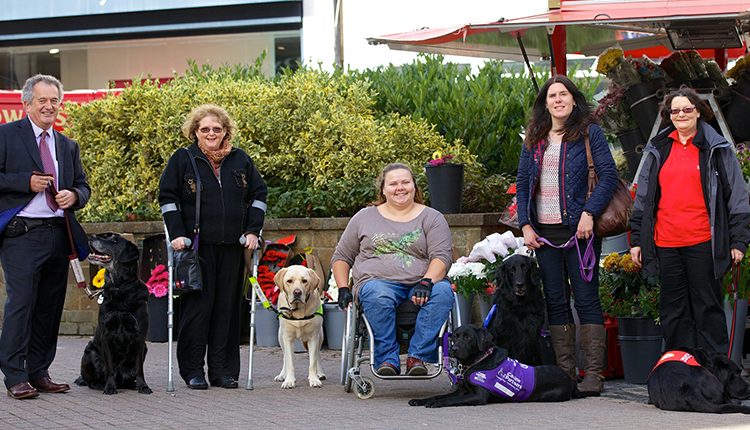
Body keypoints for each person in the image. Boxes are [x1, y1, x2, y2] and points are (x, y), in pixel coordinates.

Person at [516, 75, 619, 394]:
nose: (558, 99)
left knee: (587, 299)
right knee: (556, 301)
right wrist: (525, 224)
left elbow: (608, 177)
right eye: (552, 96)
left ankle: (592, 374)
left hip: (581, 233)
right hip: (544, 235)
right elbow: (522, 182)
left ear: (574, 100)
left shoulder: (590, 133)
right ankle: (564, 372)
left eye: (564, 94)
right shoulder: (534, 138)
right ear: (544, 103)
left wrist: (589, 213)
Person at [630, 87, 750, 354]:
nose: (681, 114)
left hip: (703, 242)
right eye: (675, 110)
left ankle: (716, 376)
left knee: (708, 309)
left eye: (687, 109)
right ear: (668, 115)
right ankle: (680, 373)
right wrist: (637, 239)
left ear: (698, 111)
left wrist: (739, 240)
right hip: (667, 243)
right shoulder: (657, 149)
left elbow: (738, 198)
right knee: (673, 311)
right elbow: (644, 198)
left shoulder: (716, 148)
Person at [159, 104, 267, 390]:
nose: (211, 133)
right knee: (197, 311)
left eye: (216, 129)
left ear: (225, 132)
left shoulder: (240, 159)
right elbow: (167, 198)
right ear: (195, 132)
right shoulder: (183, 159)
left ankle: (223, 371)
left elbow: (258, 195)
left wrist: (252, 230)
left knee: (227, 311)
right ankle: (193, 370)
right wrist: (177, 234)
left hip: (233, 246)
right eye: (204, 129)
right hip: (195, 248)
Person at [0, 74, 91, 399]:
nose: (49, 106)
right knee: (21, 303)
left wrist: (74, 196)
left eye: (54, 100)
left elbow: (83, 185)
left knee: (50, 307)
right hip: (21, 234)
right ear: (27, 104)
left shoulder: (67, 145)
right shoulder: (7, 135)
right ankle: (14, 376)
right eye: (42, 100)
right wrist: (26, 182)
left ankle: (39, 371)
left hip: (57, 234)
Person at [332, 163, 453, 376]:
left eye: (405, 182)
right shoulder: (364, 217)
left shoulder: (432, 218)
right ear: (383, 189)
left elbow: (441, 256)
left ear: (415, 186)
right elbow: (342, 257)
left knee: (443, 292)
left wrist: (427, 281)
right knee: (377, 293)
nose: (400, 187)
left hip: (421, 282)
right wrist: (342, 287)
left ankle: (418, 357)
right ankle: (387, 358)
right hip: (377, 282)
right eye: (393, 183)